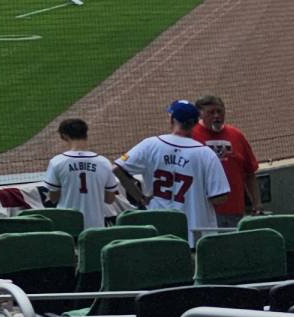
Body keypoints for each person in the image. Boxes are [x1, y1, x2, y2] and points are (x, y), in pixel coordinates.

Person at [115, 100, 230, 244]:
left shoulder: (150, 144)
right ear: (195, 123)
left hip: (158, 231)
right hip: (195, 235)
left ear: (172, 119)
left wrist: (141, 198)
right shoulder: (206, 154)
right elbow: (219, 197)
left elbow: (117, 169)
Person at [39, 117, 121, 229]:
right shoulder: (104, 162)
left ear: (64, 136)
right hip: (96, 226)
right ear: (85, 134)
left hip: (67, 225)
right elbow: (109, 199)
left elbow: (52, 198)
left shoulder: (57, 162)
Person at [192, 94, 259, 221]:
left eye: (220, 111)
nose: (216, 116)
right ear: (200, 114)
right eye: (211, 112)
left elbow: (250, 173)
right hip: (203, 212)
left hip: (234, 211)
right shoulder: (191, 136)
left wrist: (257, 203)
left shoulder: (236, 135)